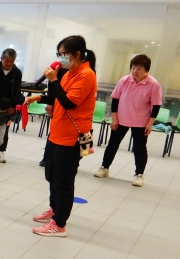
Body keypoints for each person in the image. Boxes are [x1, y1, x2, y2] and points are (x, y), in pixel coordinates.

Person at [27, 35, 97, 237]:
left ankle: (59, 224)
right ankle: (54, 209)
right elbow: (58, 96)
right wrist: (38, 97)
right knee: (51, 175)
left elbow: (68, 102)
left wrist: (53, 80)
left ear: (77, 54)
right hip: (57, 133)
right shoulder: (69, 73)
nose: (60, 58)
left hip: (71, 137)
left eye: (64, 54)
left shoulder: (86, 75)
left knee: (63, 181)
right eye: (58, 54)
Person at [93, 54, 162, 187]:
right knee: (112, 145)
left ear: (146, 70)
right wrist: (114, 118)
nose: (135, 71)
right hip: (121, 119)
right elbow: (115, 99)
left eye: (139, 69)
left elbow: (156, 105)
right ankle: (104, 167)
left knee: (139, 149)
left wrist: (150, 124)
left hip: (141, 122)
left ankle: (139, 174)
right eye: (133, 68)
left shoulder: (153, 84)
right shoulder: (124, 80)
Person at [38, 68, 69, 167]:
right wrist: (50, 103)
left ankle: (60, 160)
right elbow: (52, 86)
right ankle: (47, 159)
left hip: (69, 107)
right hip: (57, 104)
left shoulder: (80, 72)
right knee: (53, 133)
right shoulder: (58, 68)